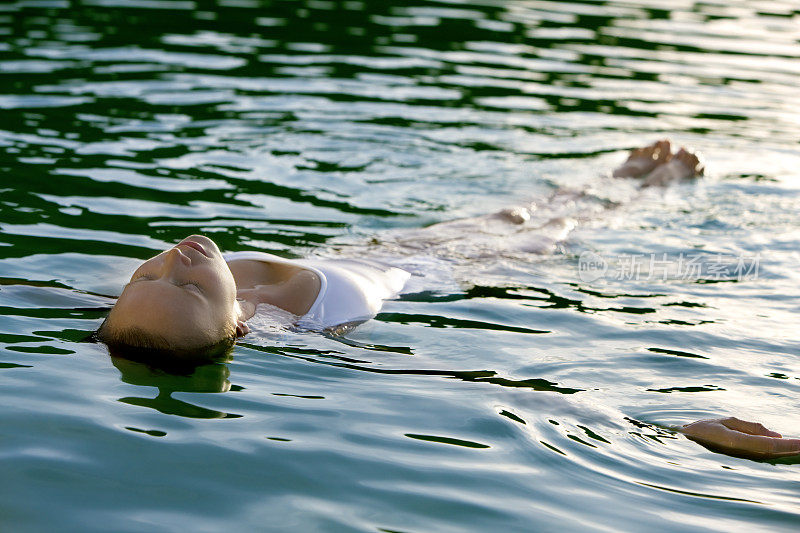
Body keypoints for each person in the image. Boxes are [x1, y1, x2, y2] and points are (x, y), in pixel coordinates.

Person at [96, 139, 798, 459]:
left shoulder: (161, 314)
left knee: (520, 216)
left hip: (371, 249)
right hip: (431, 268)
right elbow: (462, 380)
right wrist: (664, 428)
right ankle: (650, 183)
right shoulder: (282, 327)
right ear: (238, 325)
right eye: (186, 286)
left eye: (145, 277)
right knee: (543, 228)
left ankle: (623, 172)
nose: (173, 263)